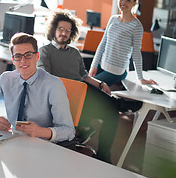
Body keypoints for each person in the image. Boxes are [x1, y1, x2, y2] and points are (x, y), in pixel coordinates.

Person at [37, 9, 120, 163]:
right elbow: (45, 79)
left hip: (83, 91)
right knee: (108, 108)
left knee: (114, 111)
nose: (64, 33)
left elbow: (84, 76)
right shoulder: (45, 51)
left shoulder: (75, 53)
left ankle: (103, 155)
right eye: (61, 29)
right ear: (54, 29)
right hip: (66, 96)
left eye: (68, 30)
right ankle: (84, 129)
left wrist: (101, 84)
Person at [0, 32, 75, 143]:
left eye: (28, 55)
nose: (23, 61)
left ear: (37, 56)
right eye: (18, 56)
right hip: (13, 141)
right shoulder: (6, 79)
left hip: (42, 145)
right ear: (13, 60)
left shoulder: (54, 85)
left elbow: (69, 131)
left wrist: (41, 131)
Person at [89, 0, 156, 86]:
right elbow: (103, 43)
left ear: (134, 3)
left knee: (89, 87)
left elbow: (136, 53)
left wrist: (141, 78)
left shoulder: (136, 26)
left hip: (117, 71)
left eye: (128, 0)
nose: (123, 2)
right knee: (83, 83)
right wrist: (94, 65)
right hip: (102, 65)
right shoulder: (113, 19)